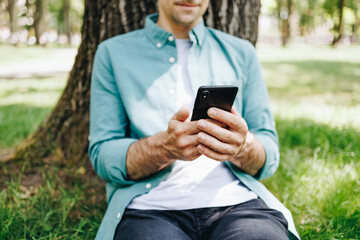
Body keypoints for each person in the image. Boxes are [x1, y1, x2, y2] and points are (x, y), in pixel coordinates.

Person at [89, 0, 300, 239]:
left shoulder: (241, 52)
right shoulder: (113, 53)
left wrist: (243, 145)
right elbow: (103, 155)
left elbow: (269, 154)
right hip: (149, 210)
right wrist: (163, 148)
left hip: (239, 204)